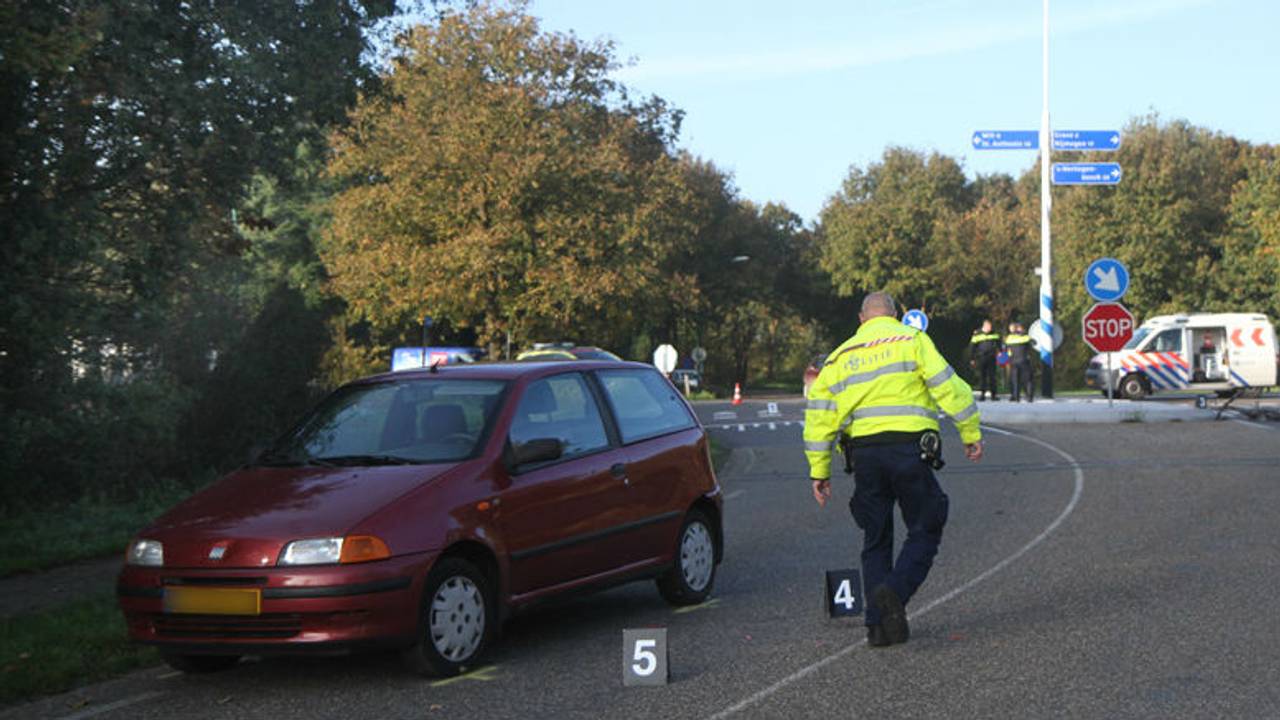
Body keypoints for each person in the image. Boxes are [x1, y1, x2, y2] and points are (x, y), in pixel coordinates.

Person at [804, 292, 984, 647]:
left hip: (864, 457)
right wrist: (970, 432)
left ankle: (878, 627)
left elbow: (819, 418)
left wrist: (819, 471)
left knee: (875, 538)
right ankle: (894, 591)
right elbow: (948, 386)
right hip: (909, 450)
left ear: (861, 319)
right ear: (896, 316)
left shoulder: (840, 356)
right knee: (927, 524)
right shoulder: (912, 340)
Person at [968, 320, 1001, 401]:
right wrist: (972, 358)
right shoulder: (977, 334)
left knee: (992, 377)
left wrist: (1000, 352)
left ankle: (993, 395)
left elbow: (999, 344)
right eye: (989, 327)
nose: (990, 328)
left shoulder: (994, 334)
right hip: (981, 358)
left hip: (992, 357)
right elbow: (972, 347)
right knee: (983, 377)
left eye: (991, 327)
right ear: (984, 326)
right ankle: (982, 395)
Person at [1004, 323, 1035, 402]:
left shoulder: (1009, 338)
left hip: (1013, 361)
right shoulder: (1026, 337)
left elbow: (1007, 350)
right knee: (1028, 380)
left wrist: (1008, 359)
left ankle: (1016, 397)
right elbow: (1034, 343)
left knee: (1015, 380)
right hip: (1024, 361)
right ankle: (1029, 397)